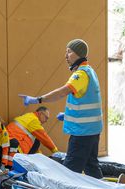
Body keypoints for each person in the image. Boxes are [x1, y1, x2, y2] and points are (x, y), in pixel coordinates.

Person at [18, 38, 103, 179]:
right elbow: (88, 99)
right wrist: (68, 114)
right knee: (91, 166)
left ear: (78, 54)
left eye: (69, 52)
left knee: (69, 172)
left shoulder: (80, 74)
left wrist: (38, 99)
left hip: (82, 132)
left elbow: (62, 92)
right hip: (92, 130)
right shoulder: (90, 72)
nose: (66, 56)